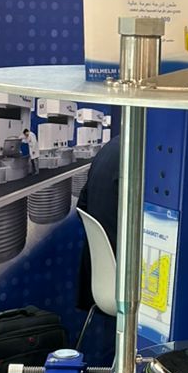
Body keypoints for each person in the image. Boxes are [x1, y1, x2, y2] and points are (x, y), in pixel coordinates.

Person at [76, 133, 119, 312]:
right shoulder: (141, 155)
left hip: (97, 276)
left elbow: (82, 206)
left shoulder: (108, 148)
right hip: (124, 284)